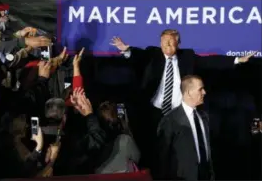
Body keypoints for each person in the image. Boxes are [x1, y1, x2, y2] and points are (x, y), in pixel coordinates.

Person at [110, 29, 257, 167]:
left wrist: (237, 60)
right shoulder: (152, 54)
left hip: (178, 112)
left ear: (178, 44)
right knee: (154, 150)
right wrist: (126, 50)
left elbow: (210, 61)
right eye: (163, 41)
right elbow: (137, 55)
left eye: (170, 41)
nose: (166, 44)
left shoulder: (187, 56)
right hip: (155, 111)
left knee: (178, 149)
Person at [155, 75, 214, 180]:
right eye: (200, 89)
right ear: (188, 93)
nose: (204, 92)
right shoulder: (170, 120)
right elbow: (162, 157)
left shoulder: (204, 117)